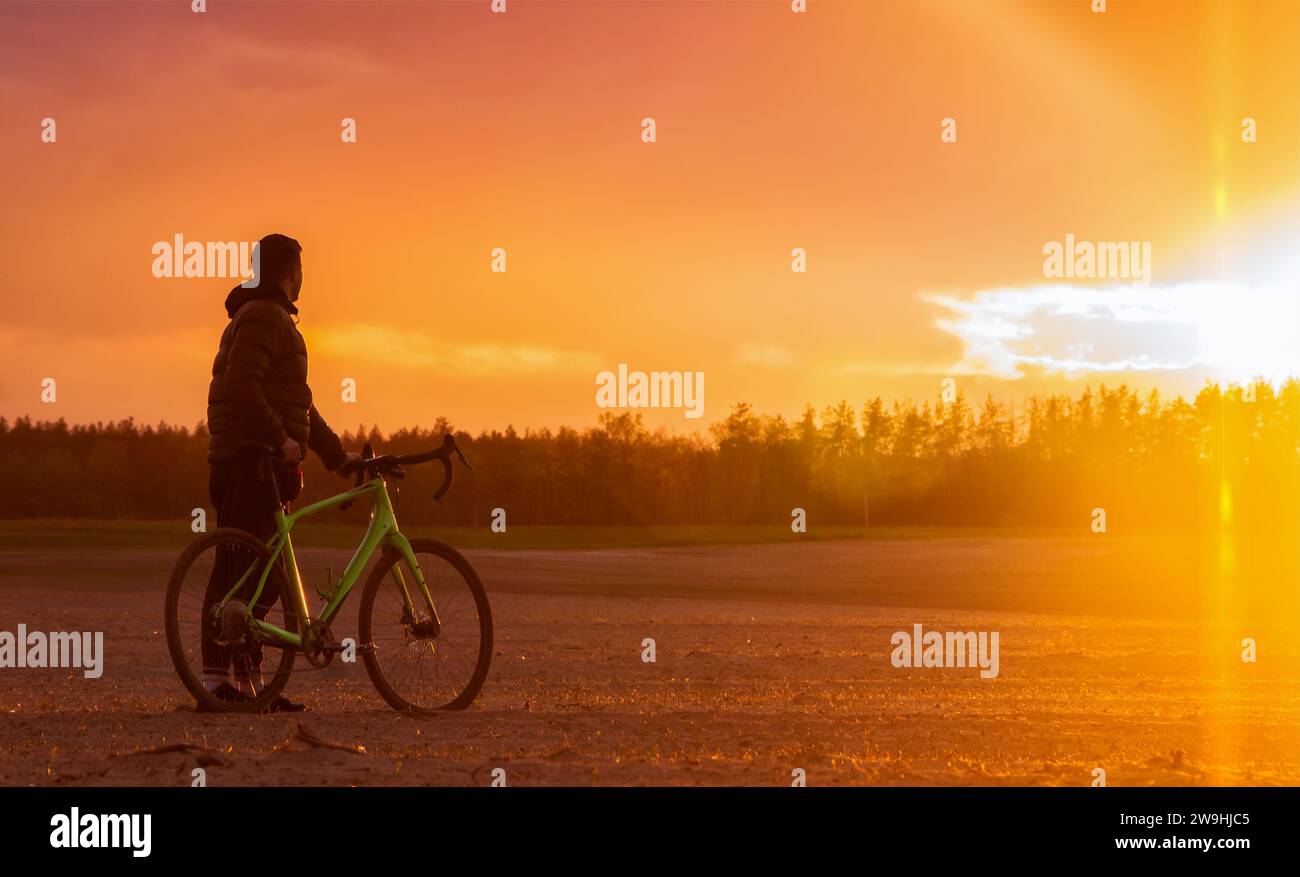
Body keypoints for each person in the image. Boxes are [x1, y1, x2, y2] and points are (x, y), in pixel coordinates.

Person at [200, 234, 360, 711]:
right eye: (300, 270)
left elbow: (300, 406)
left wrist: (335, 457)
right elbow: (240, 384)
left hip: (258, 460)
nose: (304, 280)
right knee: (237, 572)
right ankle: (214, 684)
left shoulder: (265, 318)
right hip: (249, 461)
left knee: (264, 577)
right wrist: (278, 440)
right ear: (289, 273)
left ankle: (252, 687)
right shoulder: (266, 317)